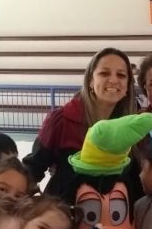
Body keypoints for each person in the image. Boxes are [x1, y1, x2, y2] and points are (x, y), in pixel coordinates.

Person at [23, 47, 136, 196]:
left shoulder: (131, 128)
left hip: (113, 210)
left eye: (121, 75)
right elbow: (32, 169)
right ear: (90, 81)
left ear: (127, 86)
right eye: (104, 73)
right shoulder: (61, 120)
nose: (114, 80)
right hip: (63, 208)